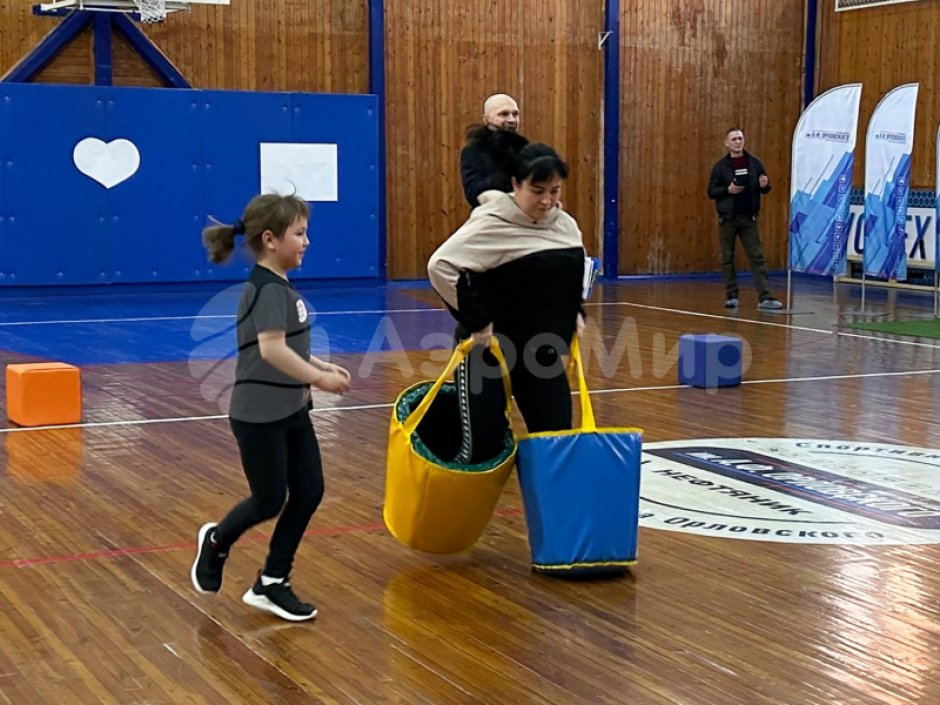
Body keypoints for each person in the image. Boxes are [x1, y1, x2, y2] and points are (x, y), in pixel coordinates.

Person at [191, 193, 351, 621]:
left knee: (309, 490)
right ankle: (217, 542)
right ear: (270, 240)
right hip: (258, 417)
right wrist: (319, 379)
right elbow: (272, 350)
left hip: (292, 411)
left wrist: (318, 363)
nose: (307, 242)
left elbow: (291, 345)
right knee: (268, 499)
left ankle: (272, 581)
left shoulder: (280, 284)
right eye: (299, 234)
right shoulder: (264, 289)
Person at [429, 143, 587, 463]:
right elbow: (441, 266)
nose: (547, 201)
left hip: (541, 352)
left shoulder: (566, 225)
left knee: (554, 441)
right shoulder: (491, 222)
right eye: (537, 190)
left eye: (554, 191)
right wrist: (478, 320)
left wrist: (574, 312)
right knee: (482, 448)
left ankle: (548, 513)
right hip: (489, 353)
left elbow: (572, 272)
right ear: (515, 184)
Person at [707, 128, 783, 310]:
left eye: (740, 138)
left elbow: (764, 187)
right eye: (733, 139)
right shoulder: (720, 167)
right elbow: (711, 191)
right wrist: (728, 190)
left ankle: (765, 297)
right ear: (727, 143)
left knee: (756, 256)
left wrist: (765, 185)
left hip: (748, 218)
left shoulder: (755, 164)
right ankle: (731, 295)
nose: (737, 142)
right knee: (727, 258)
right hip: (728, 219)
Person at [460, 93, 530, 207]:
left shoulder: (526, 148)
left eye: (515, 114)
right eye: (504, 114)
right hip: (491, 215)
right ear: (486, 119)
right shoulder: (474, 151)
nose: (511, 120)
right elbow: (473, 193)